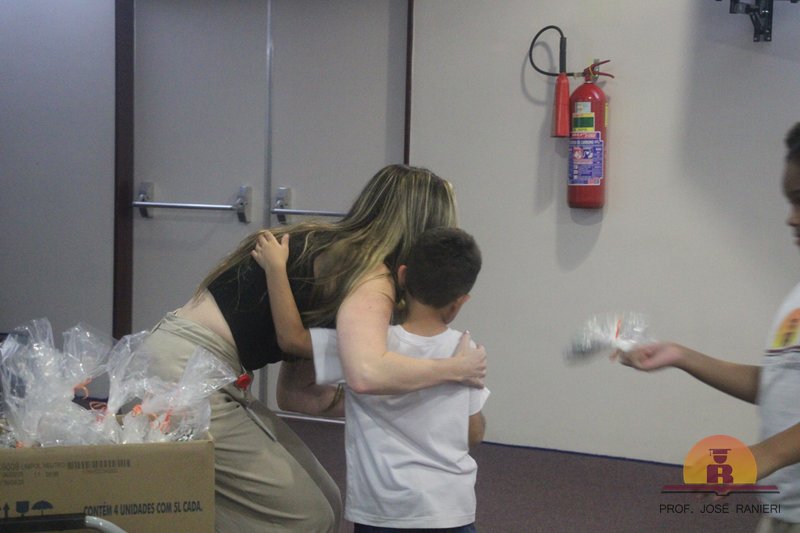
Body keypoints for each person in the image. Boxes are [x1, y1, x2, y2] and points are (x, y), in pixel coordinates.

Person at [142, 164, 488, 533]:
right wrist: (450, 371)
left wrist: (392, 405)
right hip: (185, 371)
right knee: (306, 517)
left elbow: (295, 393)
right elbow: (365, 373)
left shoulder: (333, 253)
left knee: (327, 501)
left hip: (193, 366)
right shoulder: (369, 276)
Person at [618, 123, 800, 533]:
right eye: (789, 202)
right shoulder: (796, 298)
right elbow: (781, 387)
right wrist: (682, 356)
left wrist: (760, 456)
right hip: (783, 512)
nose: (791, 219)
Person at [252, 225, 489, 532]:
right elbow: (473, 433)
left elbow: (291, 338)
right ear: (460, 301)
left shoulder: (362, 345)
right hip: (450, 510)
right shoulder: (465, 353)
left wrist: (276, 269)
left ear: (401, 276)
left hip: (382, 511)